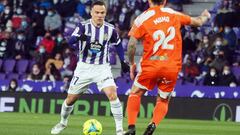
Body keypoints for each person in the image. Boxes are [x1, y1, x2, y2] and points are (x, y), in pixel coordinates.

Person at [124, 0, 211, 135]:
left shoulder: (142, 18)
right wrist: (205, 16)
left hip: (151, 65)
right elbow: (198, 22)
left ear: (149, 1)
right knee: (163, 99)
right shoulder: (173, 14)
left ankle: (131, 128)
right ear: (164, 1)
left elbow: (131, 44)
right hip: (171, 66)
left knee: (135, 93)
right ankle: (153, 124)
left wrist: (131, 63)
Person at [51, 1, 129, 135]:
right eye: (97, 12)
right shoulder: (83, 26)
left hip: (102, 68)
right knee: (70, 99)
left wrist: (122, 61)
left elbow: (118, 44)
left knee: (112, 94)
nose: (100, 15)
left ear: (105, 13)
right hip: (84, 68)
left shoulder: (110, 29)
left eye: (102, 13)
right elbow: (70, 41)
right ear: (91, 13)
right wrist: (78, 38)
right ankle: (62, 123)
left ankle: (119, 130)